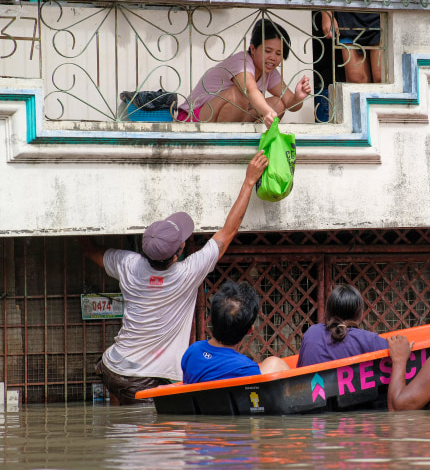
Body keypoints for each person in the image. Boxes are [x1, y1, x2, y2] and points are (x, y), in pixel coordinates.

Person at [80, 150, 269, 405]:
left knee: (122, 429)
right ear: (178, 253)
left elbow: (90, 250)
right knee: (152, 439)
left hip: (113, 367)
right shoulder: (187, 273)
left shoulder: (127, 263)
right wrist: (249, 181)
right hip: (147, 379)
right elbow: (229, 231)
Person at [176, 19, 311, 123]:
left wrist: (297, 98)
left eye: (278, 53)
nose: (273, 58)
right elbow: (250, 90)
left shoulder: (270, 72)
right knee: (240, 93)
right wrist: (269, 113)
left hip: (227, 117)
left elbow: (289, 104)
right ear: (253, 49)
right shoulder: (241, 62)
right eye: (268, 51)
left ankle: (247, 140)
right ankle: (226, 142)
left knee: (278, 103)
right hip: (194, 117)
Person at [181, 281, 290, 383]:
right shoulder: (246, 369)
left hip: (199, 403)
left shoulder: (192, 352)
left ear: (212, 319)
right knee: (275, 362)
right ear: (250, 330)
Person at [319, 0, 408, 84]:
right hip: (347, 7)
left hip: (382, 6)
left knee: (382, 77)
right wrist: (326, 13)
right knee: (356, 79)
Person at [296, 284, 388, 367]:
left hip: (315, 385)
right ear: (360, 315)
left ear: (327, 313)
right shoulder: (370, 340)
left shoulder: (312, 333)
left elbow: (300, 370)